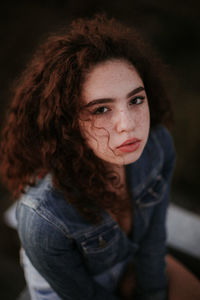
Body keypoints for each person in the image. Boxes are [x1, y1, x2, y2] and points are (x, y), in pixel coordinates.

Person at [0, 14, 199, 300]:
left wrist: (153, 292)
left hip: (126, 260)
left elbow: (153, 240)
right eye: (101, 109)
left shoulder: (157, 147)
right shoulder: (42, 217)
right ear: (68, 121)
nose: (128, 124)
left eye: (136, 100)